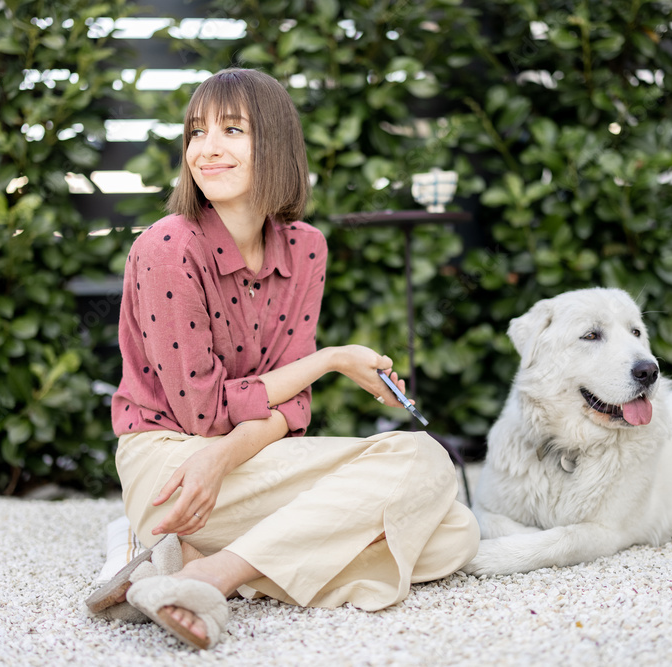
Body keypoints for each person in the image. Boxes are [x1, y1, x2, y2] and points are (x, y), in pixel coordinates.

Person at [95, 68, 479, 650]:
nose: (207, 149)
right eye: (196, 132)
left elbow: (290, 408)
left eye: (232, 130)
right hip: (172, 464)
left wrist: (225, 457)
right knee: (420, 466)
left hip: (234, 461)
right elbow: (202, 412)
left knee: (456, 533)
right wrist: (329, 360)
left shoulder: (305, 248)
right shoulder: (168, 247)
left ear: (275, 143)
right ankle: (195, 559)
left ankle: (191, 564)